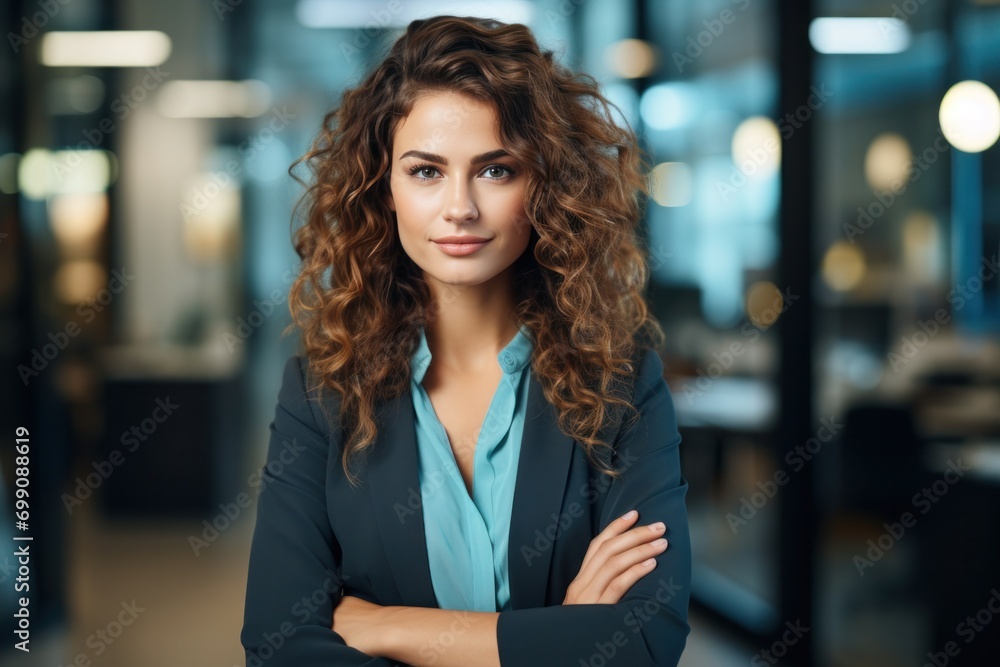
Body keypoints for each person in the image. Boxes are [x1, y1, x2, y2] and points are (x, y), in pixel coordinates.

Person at [241, 14, 690, 667]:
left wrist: (390, 627)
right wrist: (555, 635)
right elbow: (277, 645)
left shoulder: (623, 382)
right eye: (426, 171)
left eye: (496, 170)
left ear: (544, 185)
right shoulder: (319, 392)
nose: (460, 208)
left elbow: (644, 641)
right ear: (384, 187)